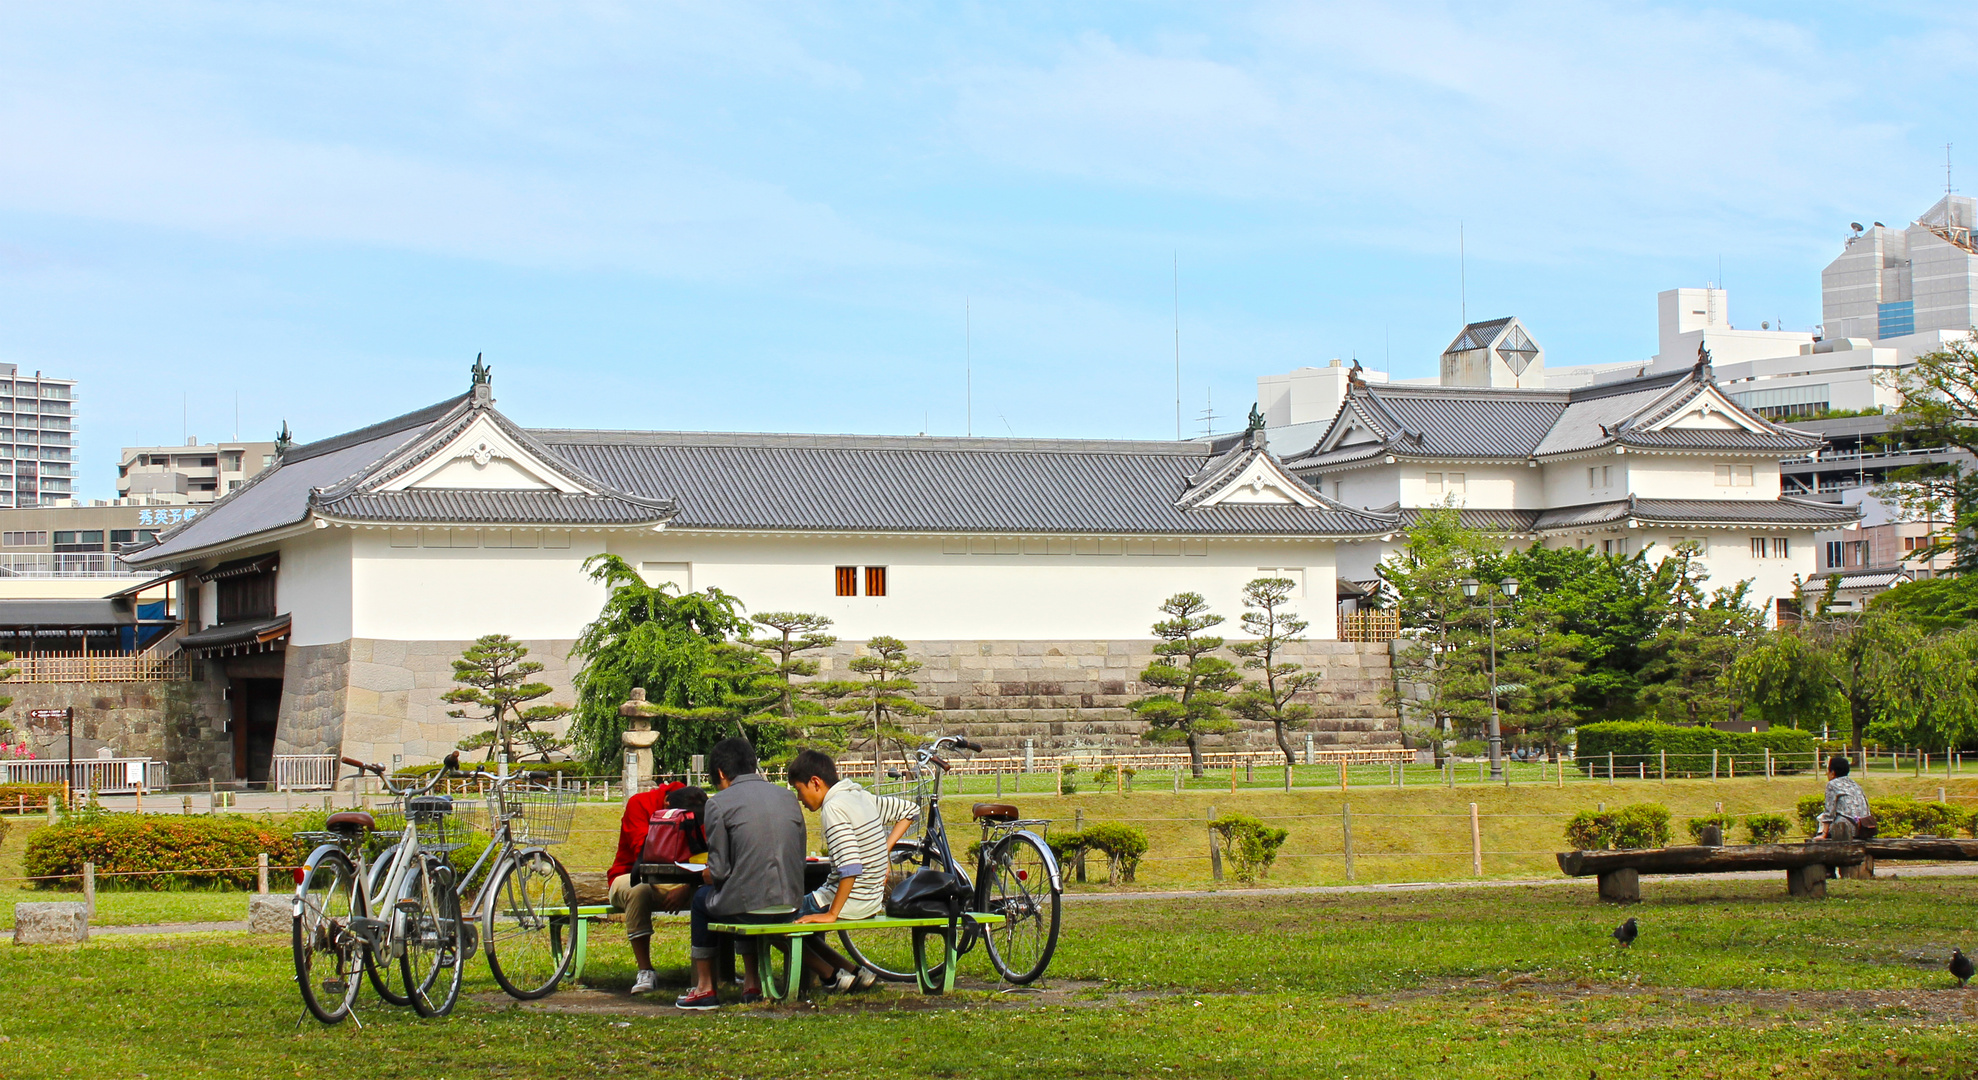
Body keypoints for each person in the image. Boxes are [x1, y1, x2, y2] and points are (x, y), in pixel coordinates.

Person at [678, 736, 806, 1010]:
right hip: (791, 903)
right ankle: (751, 981)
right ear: (752, 764)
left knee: (704, 899)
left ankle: (704, 987)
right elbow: (799, 856)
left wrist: (707, 875)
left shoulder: (719, 804)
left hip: (748, 904)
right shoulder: (787, 797)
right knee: (741, 892)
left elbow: (721, 871)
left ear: (721, 773)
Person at [785, 748, 922, 992]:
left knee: (776, 921)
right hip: (871, 900)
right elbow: (911, 810)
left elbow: (850, 867)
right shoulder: (860, 796)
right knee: (802, 922)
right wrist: (884, 850)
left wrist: (831, 914)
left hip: (849, 901)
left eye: (799, 790)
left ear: (815, 783)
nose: (800, 800)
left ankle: (831, 976)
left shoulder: (833, 808)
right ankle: (853, 971)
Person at [607, 779, 709, 994]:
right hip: (631, 875)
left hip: (684, 880)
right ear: (666, 805)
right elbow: (642, 853)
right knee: (639, 890)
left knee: (712, 892)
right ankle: (645, 970)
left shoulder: (695, 808)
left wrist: (687, 889)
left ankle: (710, 973)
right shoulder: (639, 804)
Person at [1814, 754, 1874, 840]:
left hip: (1845, 828)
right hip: (1863, 827)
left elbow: (1829, 811)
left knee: (1820, 823)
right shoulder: (1854, 784)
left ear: (1833, 772)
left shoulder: (1832, 784)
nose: (1827, 773)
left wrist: (1824, 833)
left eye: (1828, 770)